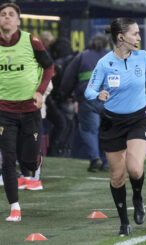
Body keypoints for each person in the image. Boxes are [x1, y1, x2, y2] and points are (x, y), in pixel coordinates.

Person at [84, 18, 146, 236]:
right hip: (112, 123)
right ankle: (124, 222)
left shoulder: (142, 57)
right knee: (117, 176)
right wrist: (98, 94)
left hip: (138, 120)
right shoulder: (104, 63)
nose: (139, 38)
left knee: (135, 168)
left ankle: (138, 197)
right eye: (135, 34)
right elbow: (88, 91)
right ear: (121, 37)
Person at [0, 3, 54, 221]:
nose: (6, 18)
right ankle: (15, 207)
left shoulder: (31, 41)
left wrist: (41, 92)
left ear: (18, 21)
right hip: (4, 111)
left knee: (28, 162)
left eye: (11, 15)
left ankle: (34, 163)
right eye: (2, 15)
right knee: (8, 158)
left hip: (30, 109)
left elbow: (49, 67)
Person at [60, 33, 109, 172]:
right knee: (108, 131)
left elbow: (68, 78)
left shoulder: (82, 56)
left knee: (89, 130)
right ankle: (106, 162)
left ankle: (95, 159)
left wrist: (65, 94)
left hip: (88, 99)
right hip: (110, 100)